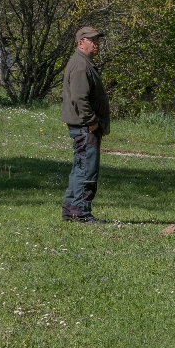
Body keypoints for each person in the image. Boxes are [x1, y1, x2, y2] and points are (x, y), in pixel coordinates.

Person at [61, 26, 110, 224]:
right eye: (92, 40)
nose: (96, 44)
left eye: (98, 40)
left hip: (84, 126)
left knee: (80, 167)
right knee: (86, 169)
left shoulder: (83, 63)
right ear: (81, 43)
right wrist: (92, 123)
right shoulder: (81, 66)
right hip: (84, 127)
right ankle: (81, 213)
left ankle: (70, 210)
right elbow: (80, 99)